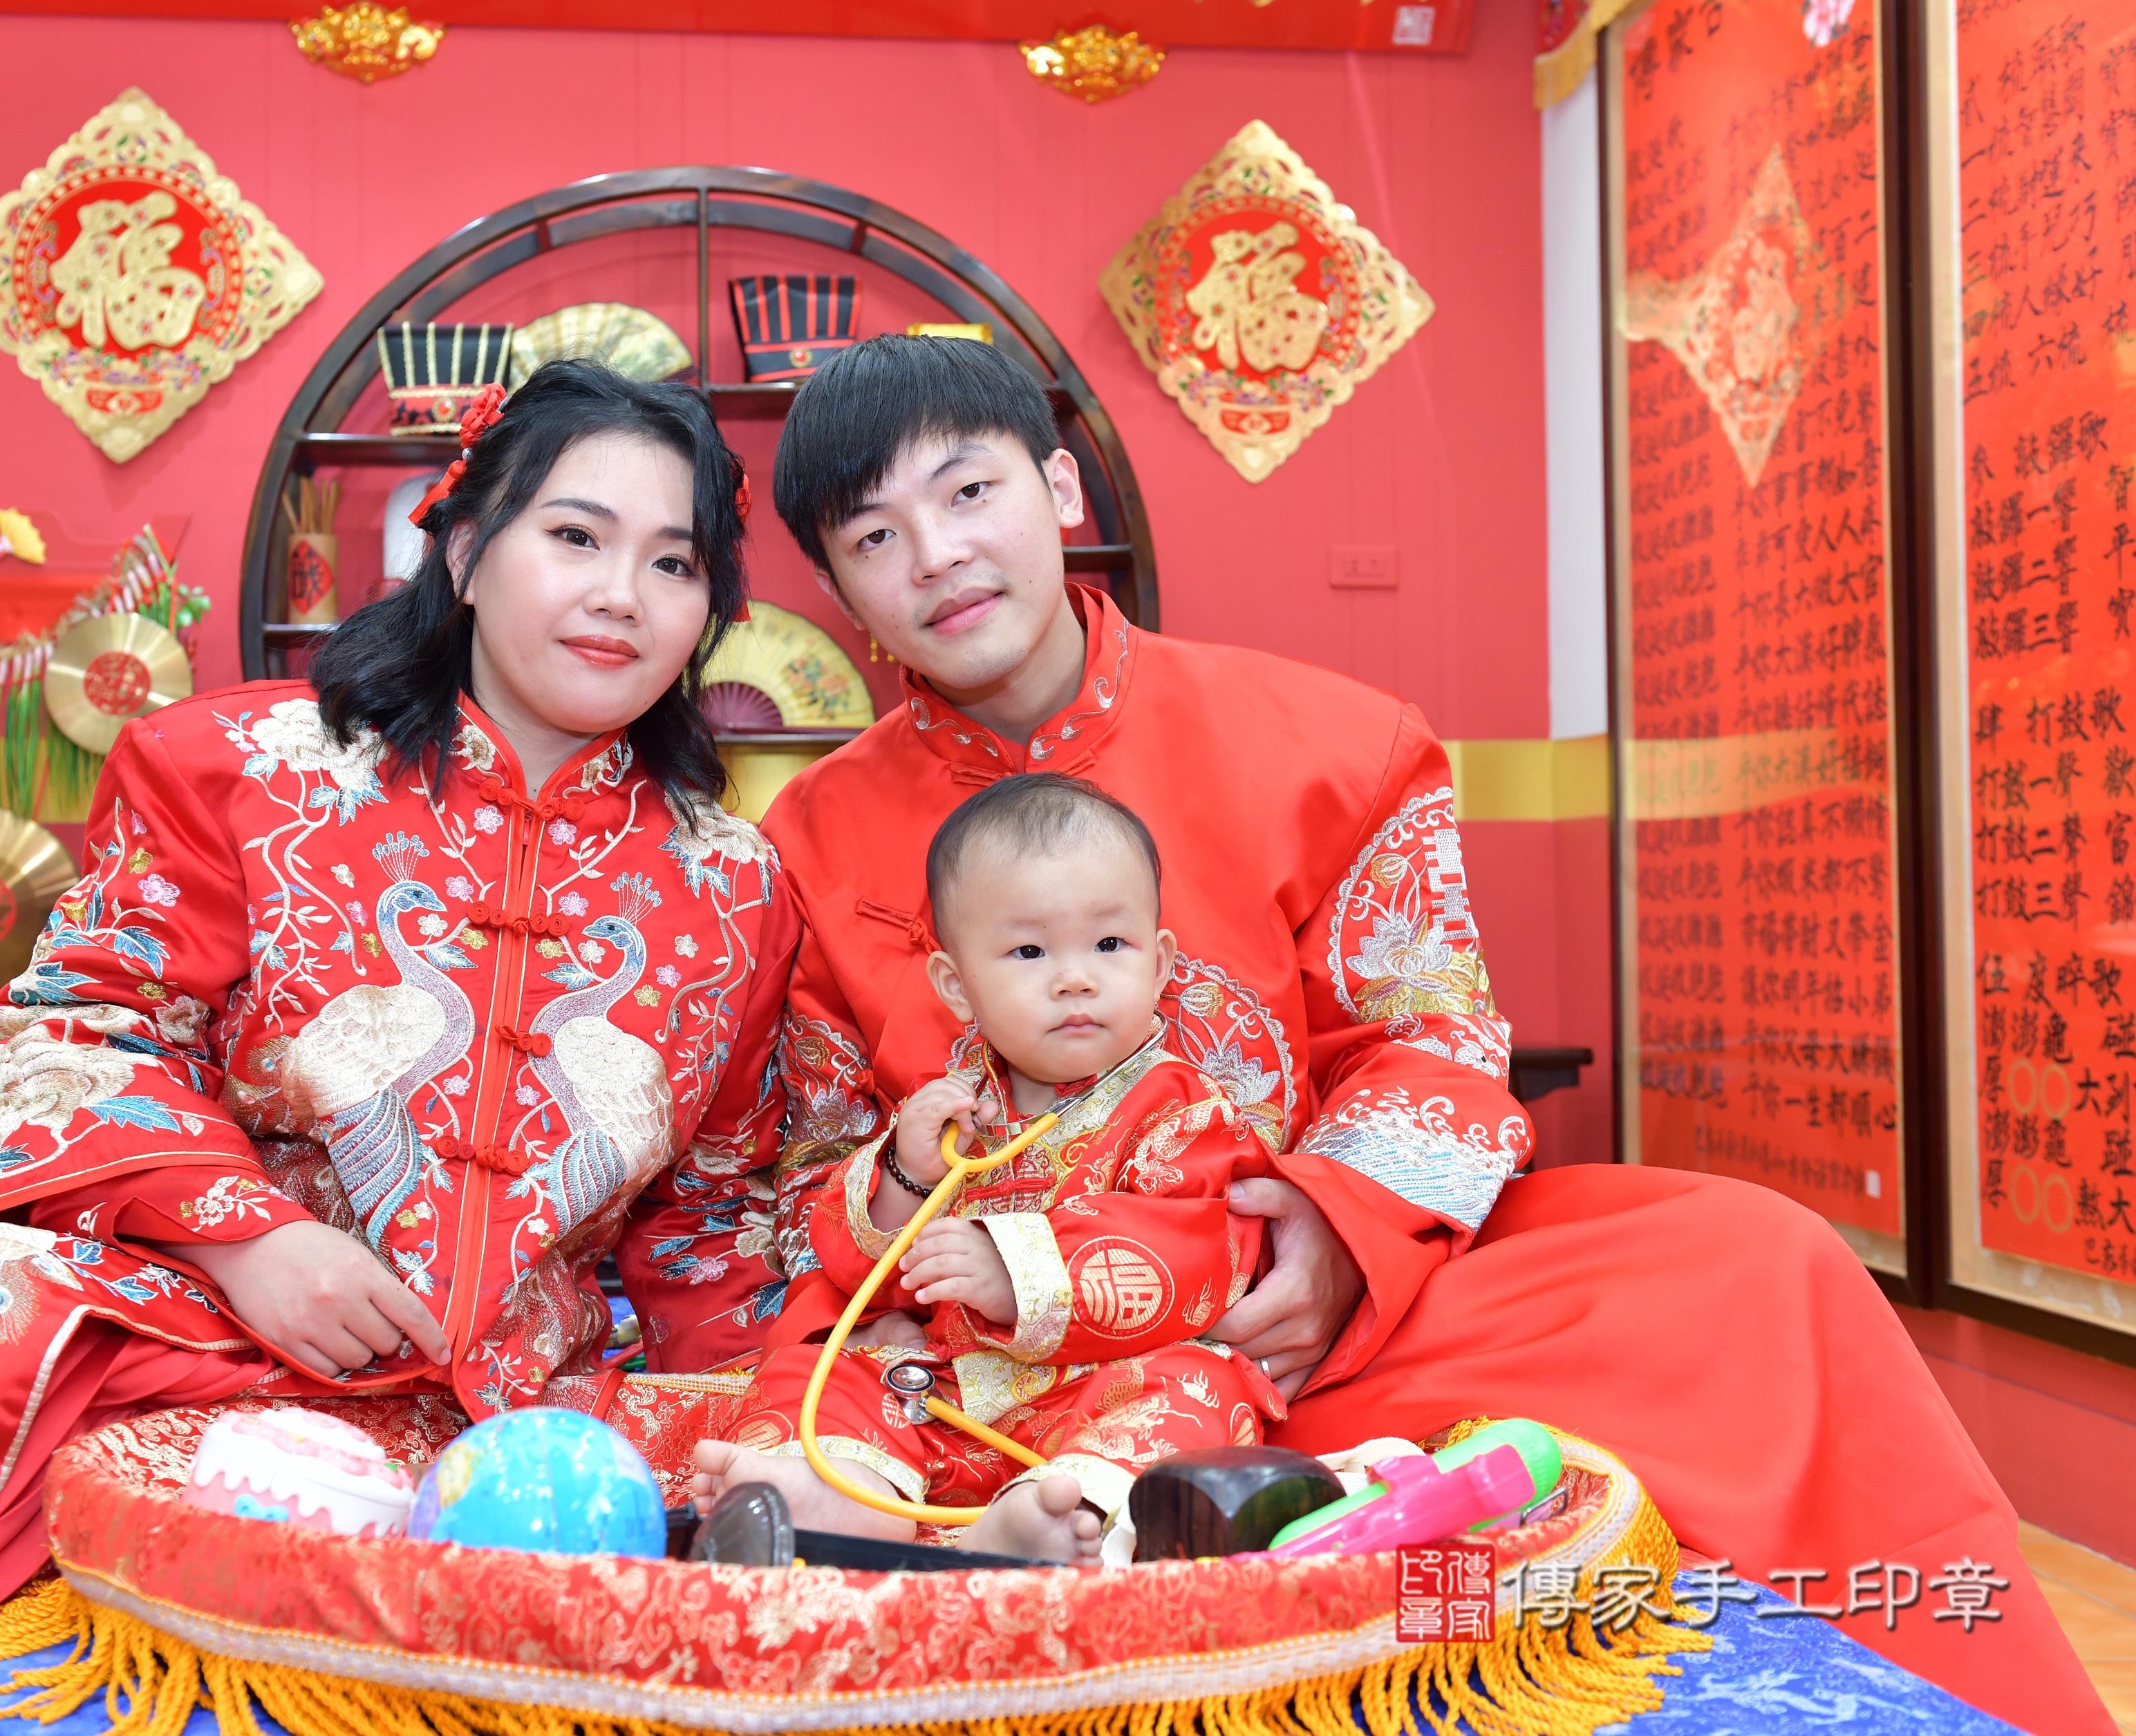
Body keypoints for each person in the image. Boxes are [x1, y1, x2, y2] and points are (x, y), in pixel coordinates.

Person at [746, 334, 2113, 1735]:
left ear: (1057, 490)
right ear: (840, 593)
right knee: (802, 1404)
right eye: (875, 536)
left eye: (968, 492)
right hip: (989, 1340)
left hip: (1308, 1318)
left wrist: (1336, 1235)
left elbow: (1431, 1032)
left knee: (1756, 1261)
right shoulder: (804, 840)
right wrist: (922, 1216)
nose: (938, 556)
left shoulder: (1331, 743)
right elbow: (809, 1167)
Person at [0, 362, 799, 1736]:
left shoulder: (736, 885)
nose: (620, 593)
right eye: (575, 534)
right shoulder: (238, 765)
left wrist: (765, 1424)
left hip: (531, 1434)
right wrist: (248, 1238)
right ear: (460, 547)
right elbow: (82, 1026)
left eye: (673, 561)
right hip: (214, 1355)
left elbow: (714, 1215)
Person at [693, 774, 1284, 1560]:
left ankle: (1055, 1512)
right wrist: (904, 1176)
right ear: (957, 986)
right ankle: (836, 1492)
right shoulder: (952, 1107)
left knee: (1201, 1385)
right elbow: (857, 1269)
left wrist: (1018, 1272)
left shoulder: (1184, 1109)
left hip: (1096, 1389)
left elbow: (1203, 1252)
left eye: (1110, 945)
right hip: (943, 1393)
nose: (1075, 978)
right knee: (826, 1368)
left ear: (1160, 963)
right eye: (1029, 951)